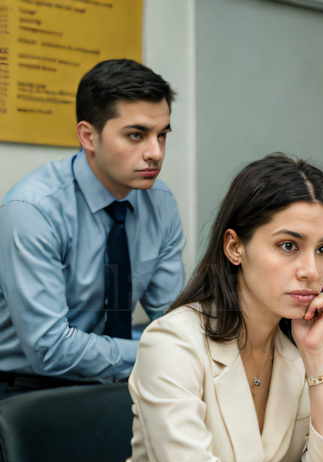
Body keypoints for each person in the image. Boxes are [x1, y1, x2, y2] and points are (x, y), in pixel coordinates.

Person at [110, 154, 323, 462]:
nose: (311, 270)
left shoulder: (314, 341)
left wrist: (315, 356)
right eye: (288, 246)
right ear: (235, 247)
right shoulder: (172, 343)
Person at [0, 59, 185, 397]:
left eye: (162, 135)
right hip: (25, 391)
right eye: (136, 135)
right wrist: (158, 352)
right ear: (88, 136)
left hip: (123, 377)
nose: (155, 153)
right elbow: (49, 350)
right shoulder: (32, 210)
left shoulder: (160, 202)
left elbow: (173, 320)